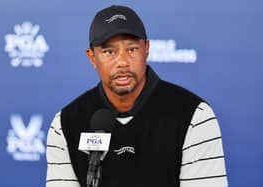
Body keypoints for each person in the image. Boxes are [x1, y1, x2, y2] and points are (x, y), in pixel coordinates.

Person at [46, 5, 228, 187]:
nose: (122, 62)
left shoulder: (194, 116)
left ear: (146, 49)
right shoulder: (65, 123)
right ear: (92, 57)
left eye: (132, 49)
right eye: (109, 52)